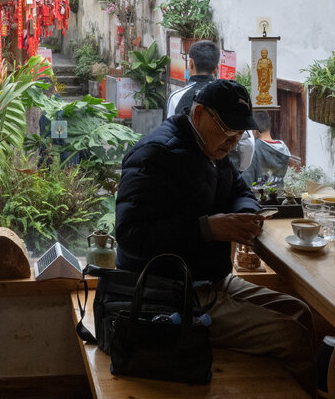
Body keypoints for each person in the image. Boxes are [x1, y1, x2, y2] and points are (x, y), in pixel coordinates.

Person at [116, 79, 316, 393]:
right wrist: (209, 228)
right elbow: (131, 235)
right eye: (226, 130)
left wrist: (247, 214)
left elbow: (240, 189)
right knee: (293, 337)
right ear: (198, 115)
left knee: (300, 312)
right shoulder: (155, 156)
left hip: (211, 281)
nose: (233, 142)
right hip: (170, 295)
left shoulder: (211, 150)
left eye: (238, 134)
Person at [164, 40, 255, 173]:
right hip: (223, 174)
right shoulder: (229, 97)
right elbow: (248, 143)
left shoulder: (176, 97)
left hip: (186, 172)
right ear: (216, 68)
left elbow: (169, 136)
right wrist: (238, 169)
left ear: (191, 64)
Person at [243, 110, 292, 186]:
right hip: (277, 196)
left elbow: (246, 182)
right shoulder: (283, 148)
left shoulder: (254, 149)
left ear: (254, 130)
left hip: (257, 197)